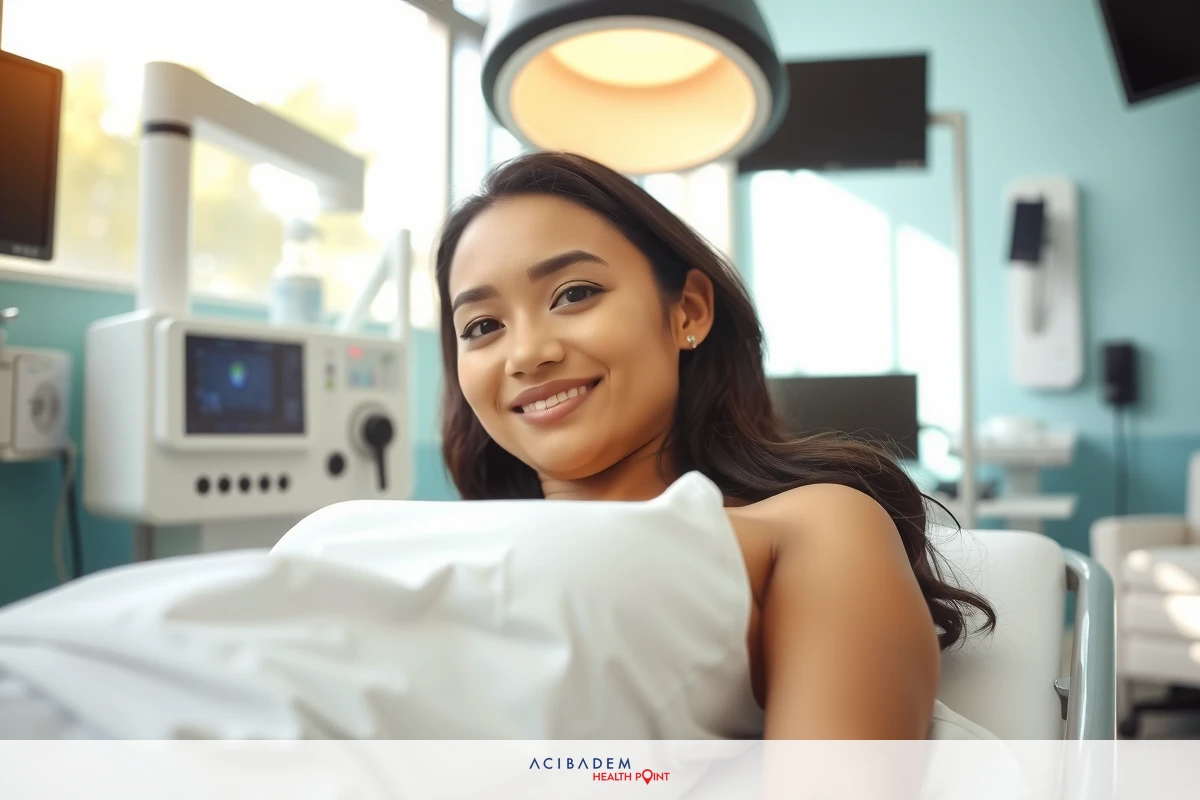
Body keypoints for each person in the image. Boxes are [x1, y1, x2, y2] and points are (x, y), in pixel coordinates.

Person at [435, 151, 996, 740]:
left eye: (574, 294)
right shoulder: (445, 561)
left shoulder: (816, 529)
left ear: (688, 312)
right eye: (482, 326)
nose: (526, 354)